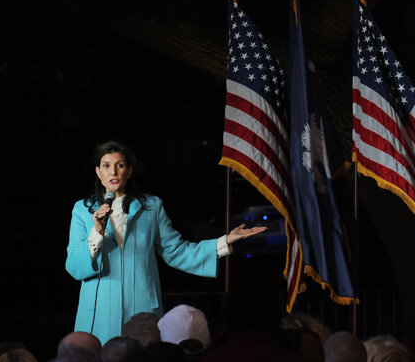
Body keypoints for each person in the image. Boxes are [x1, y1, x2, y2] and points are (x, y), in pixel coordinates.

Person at [64, 141, 265, 344]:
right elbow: (74, 265)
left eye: (120, 165)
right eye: (106, 166)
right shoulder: (82, 210)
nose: (113, 172)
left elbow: (176, 251)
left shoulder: (151, 207)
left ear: (130, 171)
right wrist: (96, 232)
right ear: (98, 172)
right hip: (99, 310)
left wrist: (224, 241)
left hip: (140, 309)